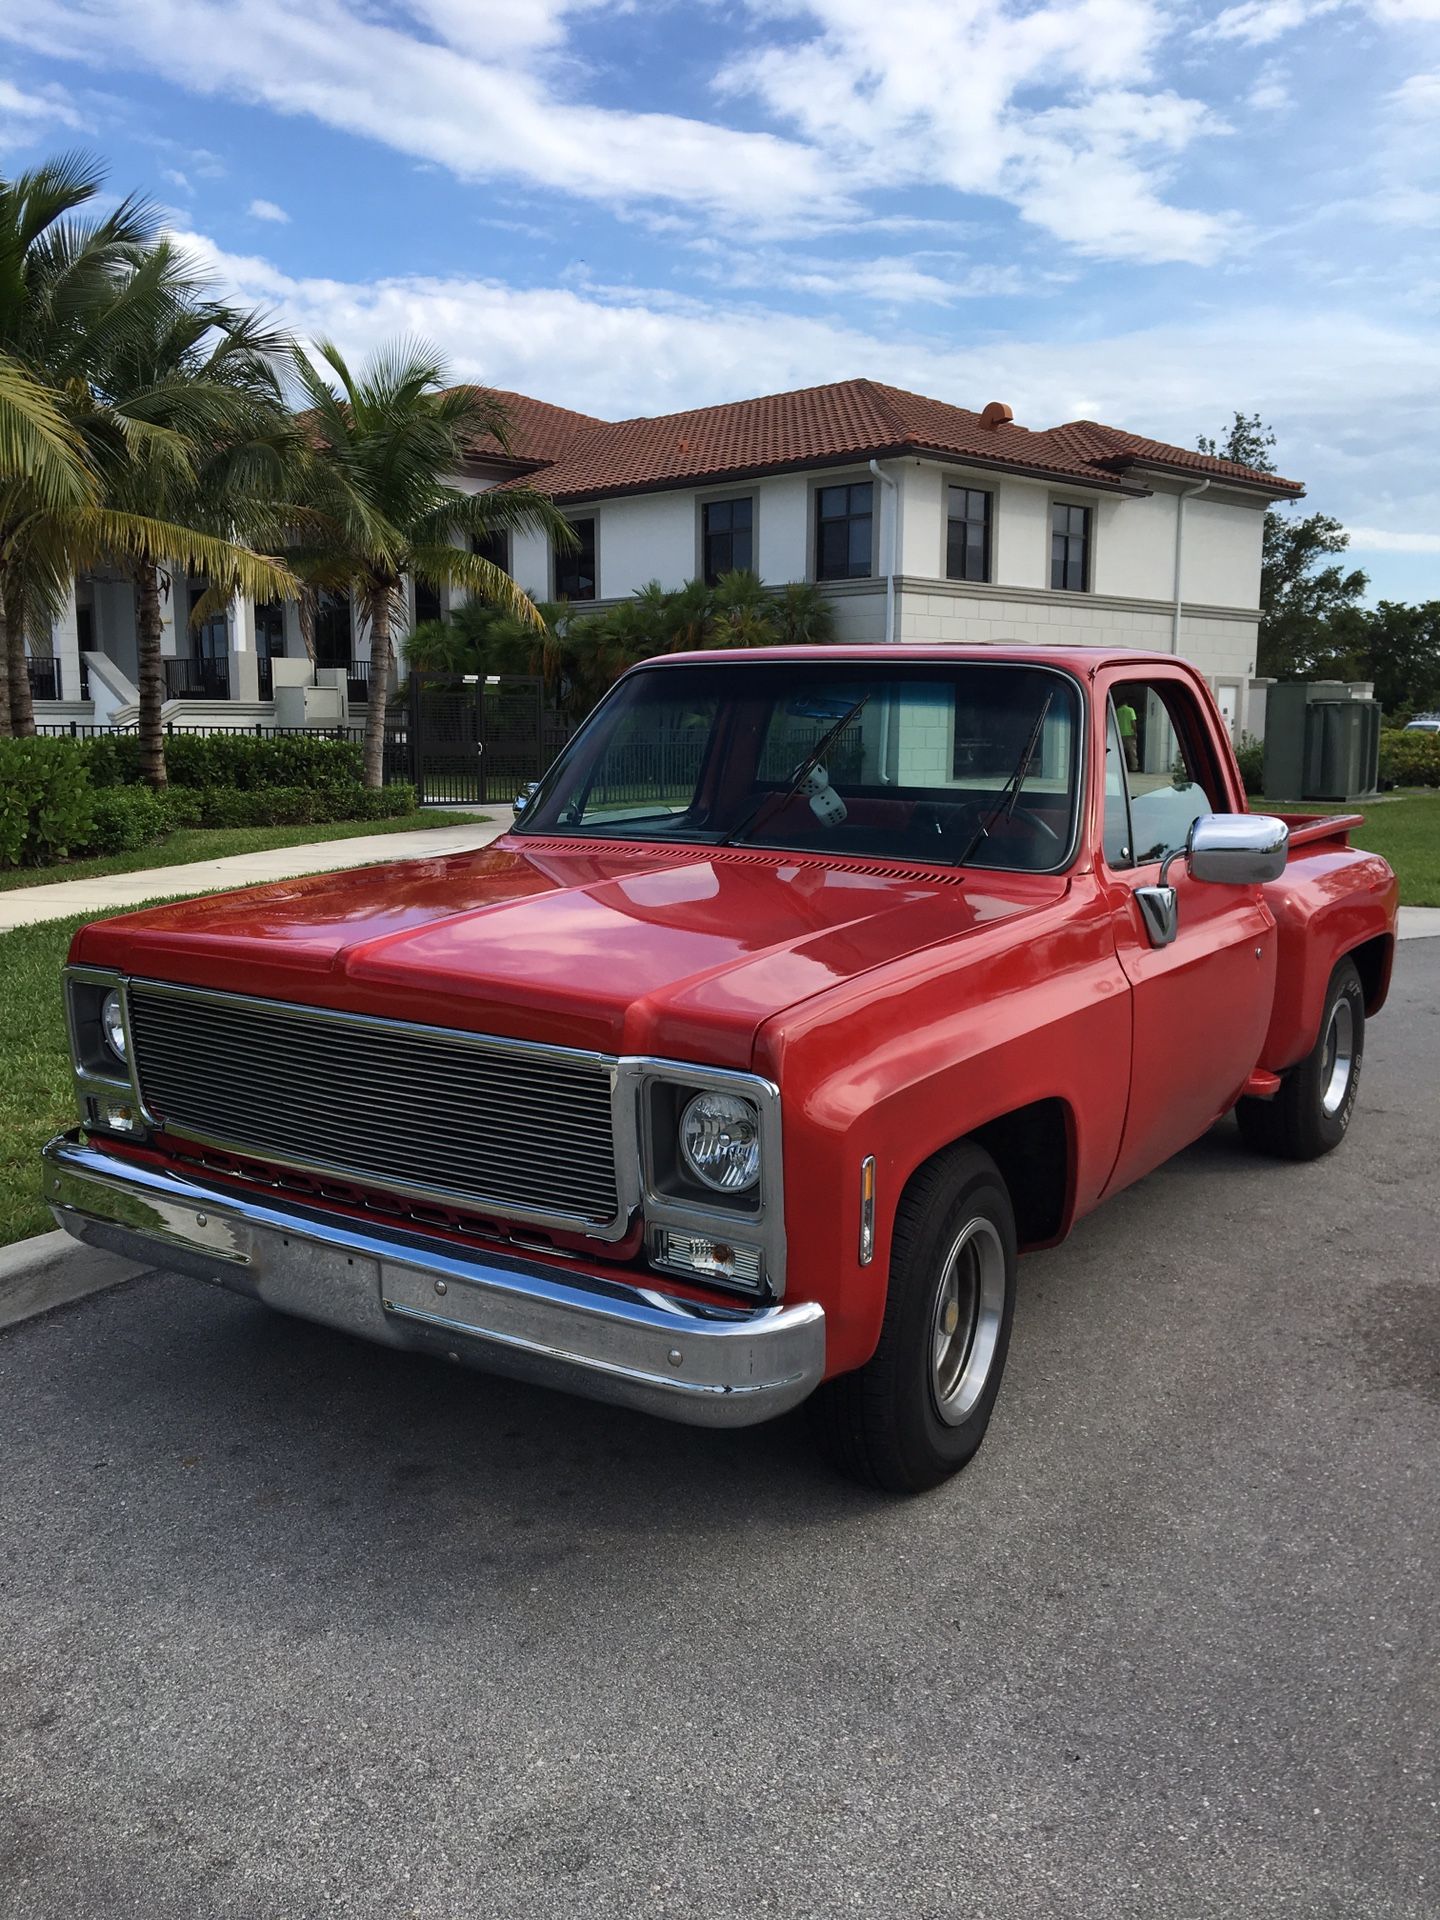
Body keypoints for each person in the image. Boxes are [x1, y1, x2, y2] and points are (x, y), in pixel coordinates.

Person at [1116, 696, 1139, 772]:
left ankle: (1120, 767)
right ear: (1126, 703)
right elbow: (1133, 722)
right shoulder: (1130, 710)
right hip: (1129, 734)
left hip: (1120, 734)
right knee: (1132, 752)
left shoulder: (1118, 711)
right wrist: (1135, 732)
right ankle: (1134, 767)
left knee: (1120, 752)